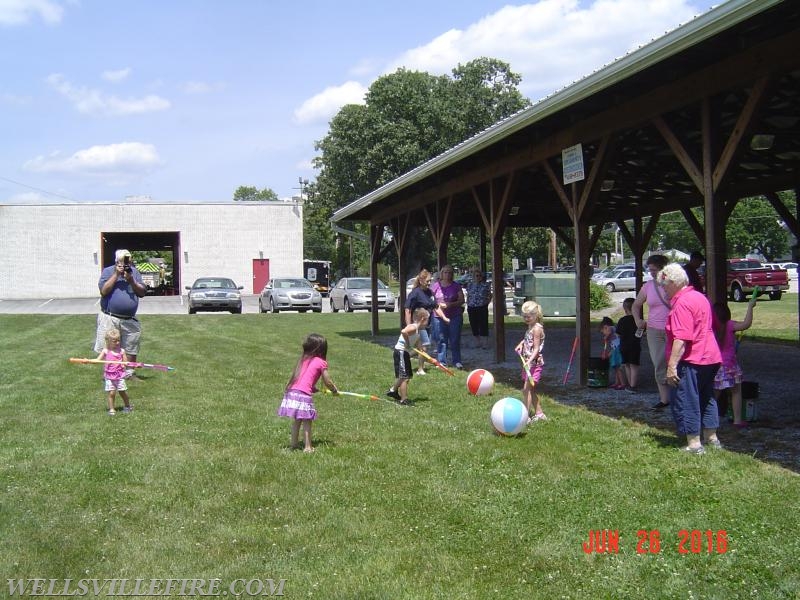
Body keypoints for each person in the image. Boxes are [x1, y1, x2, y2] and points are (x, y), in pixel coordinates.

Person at [661, 263, 722, 454]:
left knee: (688, 399)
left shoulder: (681, 303)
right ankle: (712, 438)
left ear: (672, 283)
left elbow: (682, 338)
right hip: (710, 356)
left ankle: (694, 444)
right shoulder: (700, 297)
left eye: (663, 285)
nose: (663, 289)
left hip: (693, 359)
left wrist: (671, 366)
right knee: (707, 396)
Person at [277, 333, 338, 453]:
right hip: (302, 395)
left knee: (297, 420)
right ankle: (308, 447)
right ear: (322, 349)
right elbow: (328, 381)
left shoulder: (304, 360)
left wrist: (312, 388)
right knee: (307, 420)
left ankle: (293, 445)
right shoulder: (321, 362)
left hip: (292, 392)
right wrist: (334, 390)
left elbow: (303, 379)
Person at [94, 249, 147, 379]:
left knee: (131, 346)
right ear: (117, 260)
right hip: (110, 317)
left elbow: (142, 292)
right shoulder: (108, 271)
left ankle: (129, 374)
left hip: (129, 319)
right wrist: (116, 275)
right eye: (123, 259)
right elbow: (104, 291)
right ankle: (110, 373)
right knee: (110, 346)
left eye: (128, 259)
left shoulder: (134, 272)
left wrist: (131, 281)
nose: (126, 262)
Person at [632, 254, 671, 409]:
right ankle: (664, 398)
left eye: (654, 270)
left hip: (672, 329)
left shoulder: (671, 284)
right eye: (650, 270)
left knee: (674, 361)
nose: (652, 273)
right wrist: (638, 321)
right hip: (654, 329)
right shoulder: (648, 286)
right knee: (659, 362)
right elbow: (635, 305)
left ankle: (677, 394)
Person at [712, 296, 756, 428]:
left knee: (713, 396)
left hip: (716, 366)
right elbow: (746, 324)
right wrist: (750, 306)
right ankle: (737, 420)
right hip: (730, 366)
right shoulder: (730, 325)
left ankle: (707, 420)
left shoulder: (710, 327)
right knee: (736, 392)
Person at [404, 269, 448, 374]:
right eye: (427, 281)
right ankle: (420, 369)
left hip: (426, 323)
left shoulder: (430, 292)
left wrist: (444, 318)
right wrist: (409, 326)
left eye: (430, 281)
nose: (429, 283)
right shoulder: (415, 293)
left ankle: (406, 356)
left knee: (423, 346)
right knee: (424, 345)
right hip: (418, 323)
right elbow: (407, 310)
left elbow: (436, 307)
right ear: (421, 281)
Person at [387, 308, 430, 406]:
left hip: (404, 353)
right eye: (428, 320)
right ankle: (404, 399)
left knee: (407, 376)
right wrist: (407, 342)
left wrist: (427, 356)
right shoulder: (413, 327)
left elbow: (420, 348)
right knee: (404, 377)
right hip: (400, 352)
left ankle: (393, 391)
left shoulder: (418, 333)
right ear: (423, 319)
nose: (428, 322)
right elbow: (403, 331)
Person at [514, 300, 546, 423]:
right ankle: (539, 413)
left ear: (536, 315)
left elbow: (537, 348)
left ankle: (525, 417)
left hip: (534, 364)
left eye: (529, 316)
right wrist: (521, 344)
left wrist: (530, 361)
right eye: (524, 316)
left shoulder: (537, 329)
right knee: (530, 389)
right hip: (527, 363)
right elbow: (528, 340)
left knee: (526, 389)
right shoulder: (530, 326)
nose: (526, 319)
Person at [431, 265, 465, 369]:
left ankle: (457, 361)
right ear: (441, 274)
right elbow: (431, 300)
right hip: (438, 316)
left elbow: (461, 300)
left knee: (455, 339)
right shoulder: (435, 286)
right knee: (441, 339)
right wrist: (437, 305)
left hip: (454, 315)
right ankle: (442, 362)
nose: (447, 274)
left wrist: (451, 304)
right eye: (445, 272)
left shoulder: (456, 286)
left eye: (450, 272)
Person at [96, 328, 133, 415]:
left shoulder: (121, 351)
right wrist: (88, 361)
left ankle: (127, 406)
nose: (117, 343)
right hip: (109, 376)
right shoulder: (105, 351)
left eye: (118, 340)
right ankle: (112, 409)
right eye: (114, 341)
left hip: (119, 376)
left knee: (122, 392)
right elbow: (97, 360)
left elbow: (125, 362)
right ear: (108, 341)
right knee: (111, 393)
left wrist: (126, 364)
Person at [616, 297, 640, 392]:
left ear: (625, 309)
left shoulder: (622, 320)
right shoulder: (637, 320)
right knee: (634, 365)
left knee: (627, 365)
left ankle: (630, 384)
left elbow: (618, 334)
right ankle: (633, 386)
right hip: (635, 346)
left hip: (624, 346)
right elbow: (641, 332)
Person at [465, 268, 492, 349]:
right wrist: (468, 302)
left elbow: (490, 295)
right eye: (476, 276)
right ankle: (477, 341)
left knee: (483, 324)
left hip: (482, 306)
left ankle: (485, 343)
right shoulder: (469, 285)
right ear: (473, 276)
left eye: (480, 276)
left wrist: (487, 302)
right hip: (472, 306)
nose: (478, 277)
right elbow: (468, 295)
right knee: (473, 324)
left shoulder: (485, 285)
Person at [600, 316, 625, 390]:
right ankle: (617, 382)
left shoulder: (612, 328)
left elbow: (610, 330)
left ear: (605, 327)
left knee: (618, 367)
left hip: (618, 349)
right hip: (616, 349)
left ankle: (623, 383)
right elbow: (612, 349)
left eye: (602, 331)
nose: (603, 334)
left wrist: (606, 337)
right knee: (615, 367)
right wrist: (607, 355)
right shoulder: (612, 333)